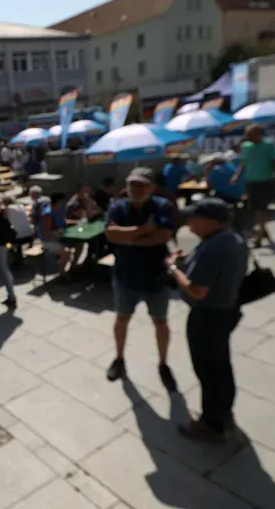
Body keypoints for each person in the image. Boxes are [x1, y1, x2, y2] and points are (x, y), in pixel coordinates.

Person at [165, 198, 248, 441]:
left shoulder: (213, 247)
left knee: (208, 370)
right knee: (221, 366)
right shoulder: (233, 238)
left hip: (208, 316)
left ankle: (211, 424)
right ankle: (224, 412)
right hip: (227, 310)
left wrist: (173, 268)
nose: (189, 222)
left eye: (194, 218)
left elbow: (197, 290)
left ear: (212, 221)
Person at [104, 167, 177, 390]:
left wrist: (128, 238)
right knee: (122, 319)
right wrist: (144, 229)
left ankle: (163, 363)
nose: (135, 189)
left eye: (141, 185)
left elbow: (163, 236)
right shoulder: (117, 207)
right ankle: (119, 358)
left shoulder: (163, 206)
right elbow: (110, 234)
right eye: (132, 184)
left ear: (152, 187)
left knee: (160, 322)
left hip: (156, 275)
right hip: (125, 275)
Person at [231, 124, 275, 248]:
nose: (247, 137)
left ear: (258, 134)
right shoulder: (246, 146)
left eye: (250, 134)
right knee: (255, 208)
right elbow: (244, 163)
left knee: (262, 208)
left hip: (265, 180)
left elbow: (274, 161)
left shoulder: (268, 145)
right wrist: (236, 176)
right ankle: (263, 228)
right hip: (251, 180)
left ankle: (259, 236)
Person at [36, 192, 70, 272]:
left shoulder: (59, 209)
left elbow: (63, 221)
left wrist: (76, 222)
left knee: (78, 244)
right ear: (58, 201)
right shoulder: (47, 213)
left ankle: (74, 267)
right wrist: (58, 236)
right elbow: (47, 232)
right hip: (47, 240)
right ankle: (62, 272)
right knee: (66, 252)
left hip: (59, 236)